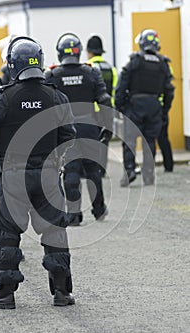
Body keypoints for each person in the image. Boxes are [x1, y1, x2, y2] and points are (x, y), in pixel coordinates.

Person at [0, 36, 76, 309]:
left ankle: (5, 295)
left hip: (13, 174)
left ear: (11, 64)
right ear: (40, 62)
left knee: (8, 234)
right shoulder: (56, 97)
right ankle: (62, 292)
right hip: (48, 175)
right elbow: (69, 135)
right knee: (55, 231)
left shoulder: (2, 98)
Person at [44, 33, 113, 226]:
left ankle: (74, 216)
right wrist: (108, 127)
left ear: (60, 53)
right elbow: (105, 100)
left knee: (71, 170)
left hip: (66, 129)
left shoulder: (52, 74)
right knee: (93, 169)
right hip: (90, 127)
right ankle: (99, 210)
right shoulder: (91, 72)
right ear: (79, 51)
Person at [115, 29, 174, 187]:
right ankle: (148, 175)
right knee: (149, 141)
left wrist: (120, 107)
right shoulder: (163, 64)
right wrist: (164, 110)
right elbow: (169, 90)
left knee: (129, 140)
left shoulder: (134, 61)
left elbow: (121, 86)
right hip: (154, 106)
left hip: (134, 105)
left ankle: (129, 170)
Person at [86, 35, 118, 177]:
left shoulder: (88, 68)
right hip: (107, 110)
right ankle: (102, 169)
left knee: (92, 140)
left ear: (89, 52)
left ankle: (93, 168)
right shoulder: (111, 69)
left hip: (93, 110)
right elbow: (115, 90)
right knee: (105, 140)